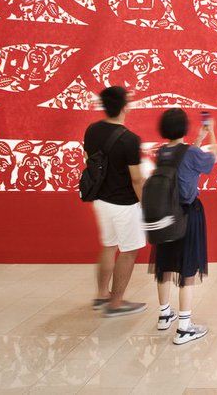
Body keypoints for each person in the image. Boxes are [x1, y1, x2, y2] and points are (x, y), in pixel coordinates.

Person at [150, 109, 217, 345]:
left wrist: (198, 139)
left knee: (164, 266)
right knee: (187, 270)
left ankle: (164, 315)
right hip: (187, 215)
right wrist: (212, 133)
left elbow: (183, 161)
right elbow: (215, 157)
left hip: (165, 215)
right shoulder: (191, 153)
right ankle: (184, 327)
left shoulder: (162, 153)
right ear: (184, 127)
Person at [83, 86, 147, 317]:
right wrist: (146, 204)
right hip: (124, 204)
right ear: (124, 107)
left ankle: (102, 295)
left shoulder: (92, 130)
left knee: (109, 246)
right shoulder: (130, 139)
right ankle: (116, 303)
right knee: (129, 251)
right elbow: (136, 179)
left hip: (100, 200)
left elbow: (89, 159)